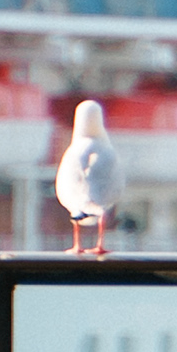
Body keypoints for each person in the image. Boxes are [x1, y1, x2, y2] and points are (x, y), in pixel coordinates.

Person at [54, 95, 121, 261]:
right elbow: (116, 184)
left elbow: (64, 183)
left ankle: (77, 245)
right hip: (98, 203)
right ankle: (100, 246)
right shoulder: (107, 152)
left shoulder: (72, 152)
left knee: (77, 208)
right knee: (101, 210)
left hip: (77, 204)